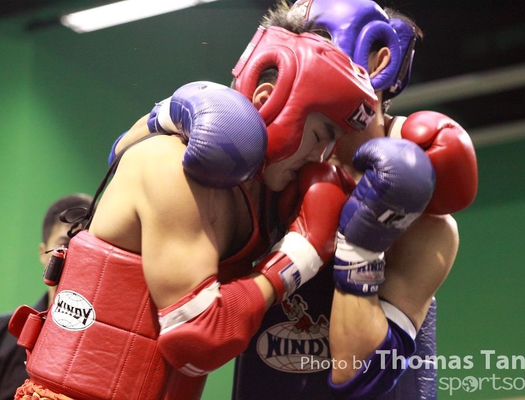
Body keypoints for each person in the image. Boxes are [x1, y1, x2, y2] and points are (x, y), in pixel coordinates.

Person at [8, 25, 381, 399]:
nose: (319, 158)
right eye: (319, 136)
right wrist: (298, 257)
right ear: (268, 99)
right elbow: (199, 338)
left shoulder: (269, 193)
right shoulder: (170, 167)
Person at [233, 1, 478, 399]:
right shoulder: (269, 167)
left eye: (325, 43)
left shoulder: (420, 212)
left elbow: (358, 372)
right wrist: (172, 116)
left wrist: (360, 243)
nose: (313, 59)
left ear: (380, 62)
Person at [0, 193, 93, 400]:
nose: (75, 254)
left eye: (86, 246)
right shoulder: (2, 335)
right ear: (43, 252)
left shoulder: (108, 345)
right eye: (65, 244)